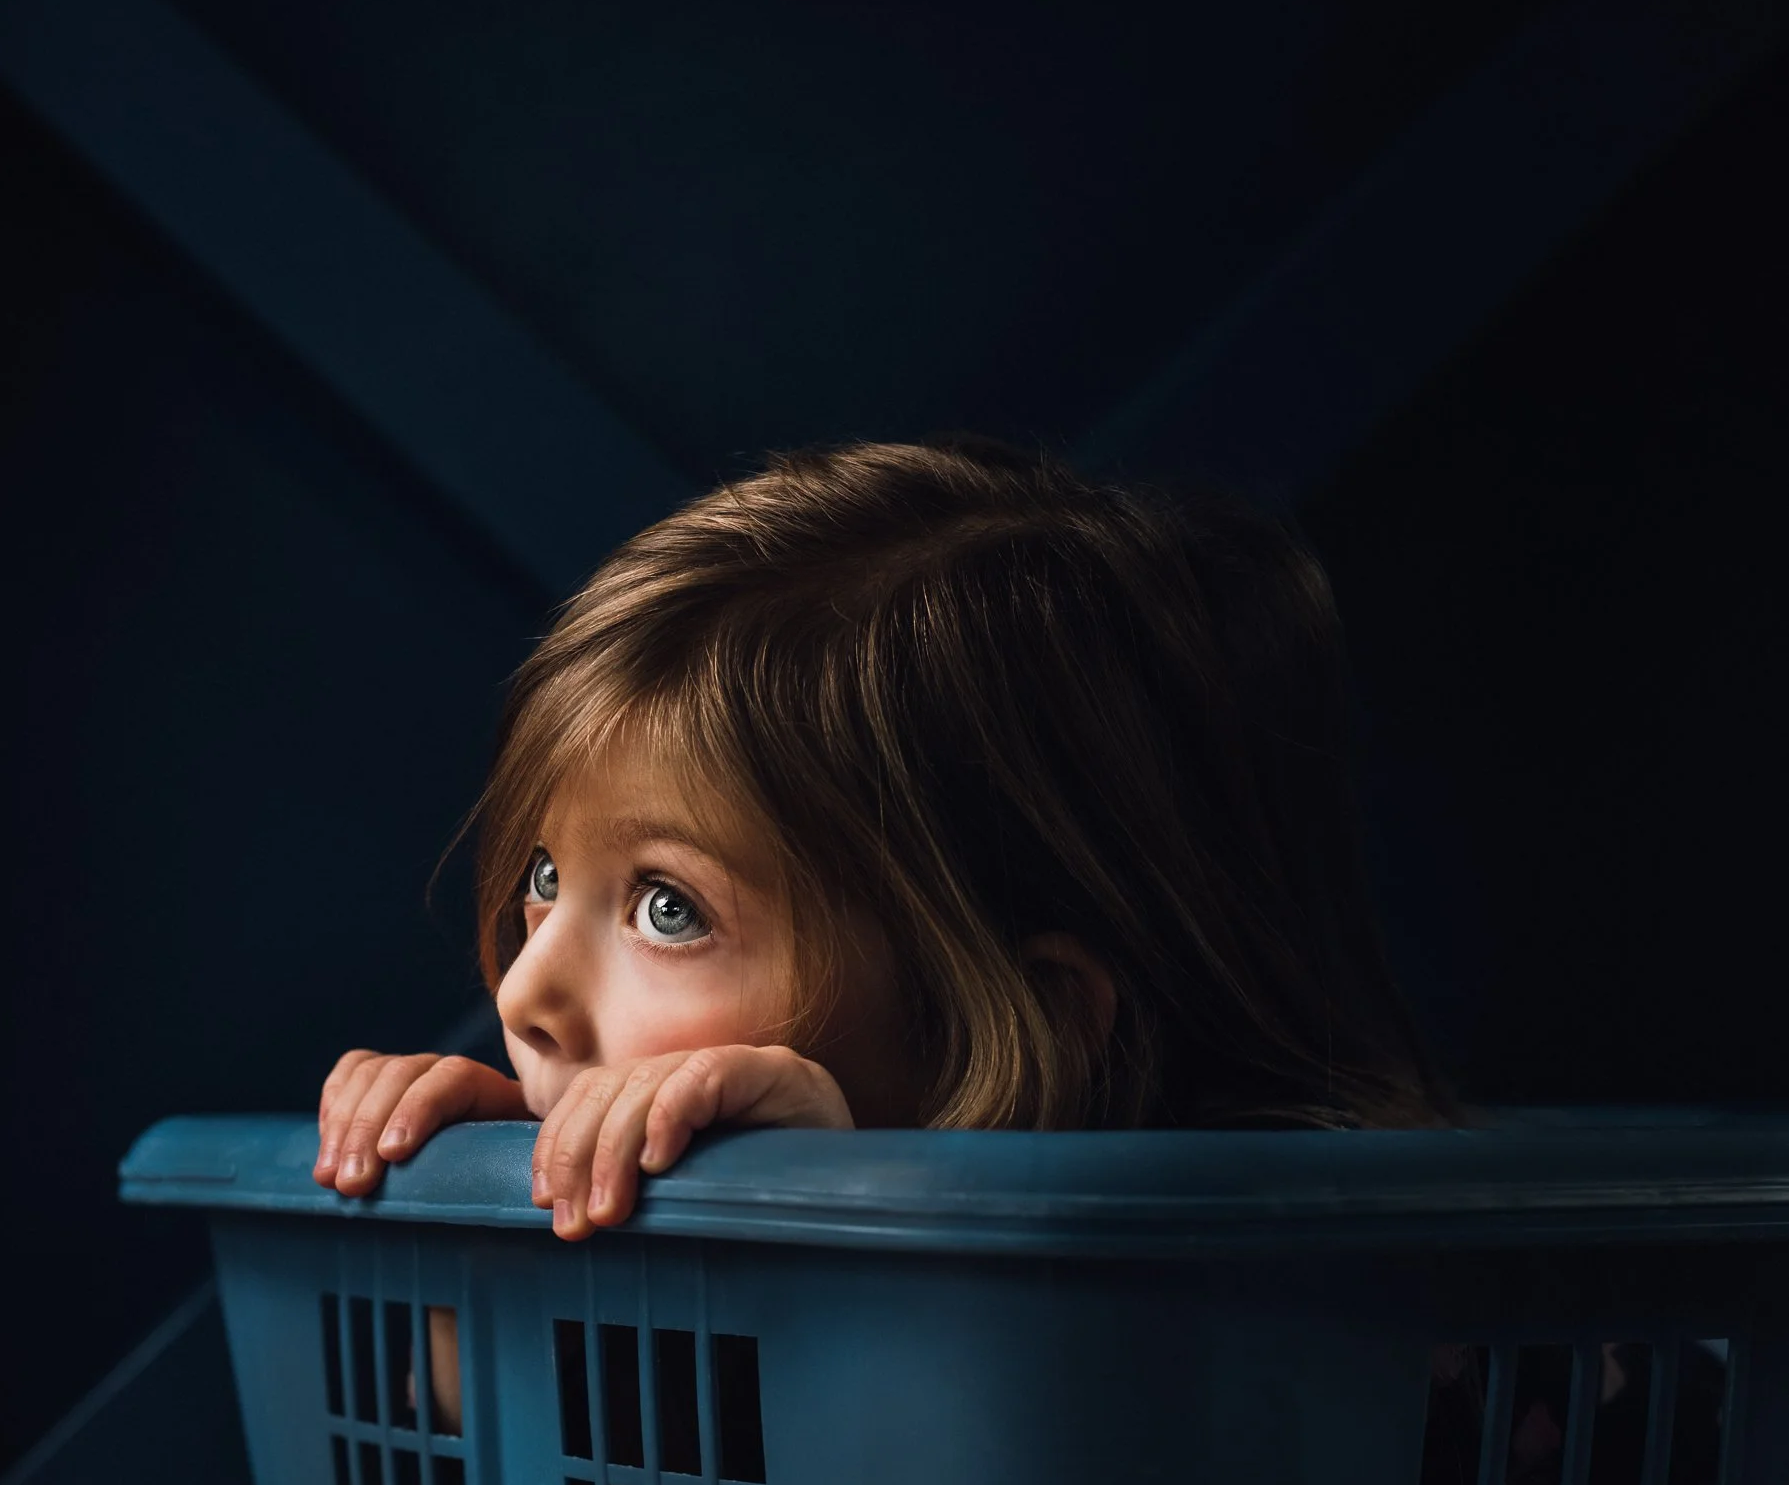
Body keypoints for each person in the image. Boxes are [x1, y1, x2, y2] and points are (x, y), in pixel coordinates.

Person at [312, 436, 1448, 1234]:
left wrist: (849, 1193)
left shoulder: (1344, 1305)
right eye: (546, 877)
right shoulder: (632, 1229)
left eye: (670, 907)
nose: (523, 994)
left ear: (1015, 1020)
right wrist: (469, 1240)